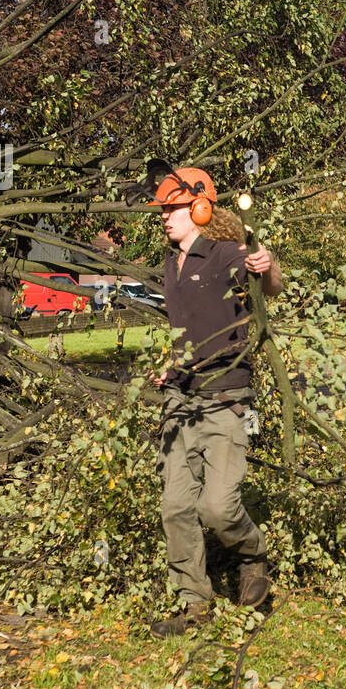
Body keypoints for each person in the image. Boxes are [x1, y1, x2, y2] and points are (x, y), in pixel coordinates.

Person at [145, 164, 284, 638]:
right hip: (180, 398)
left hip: (227, 398)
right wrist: (170, 367)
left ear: (200, 207)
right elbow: (187, 332)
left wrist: (269, 267)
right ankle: (193, 604)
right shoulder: (170, 262)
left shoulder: (227, 253)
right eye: (162, 209)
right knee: (176, 508)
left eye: (173, 208)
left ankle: (252, 555)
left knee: (219, 509)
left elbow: (268, 285)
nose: (165, 217)